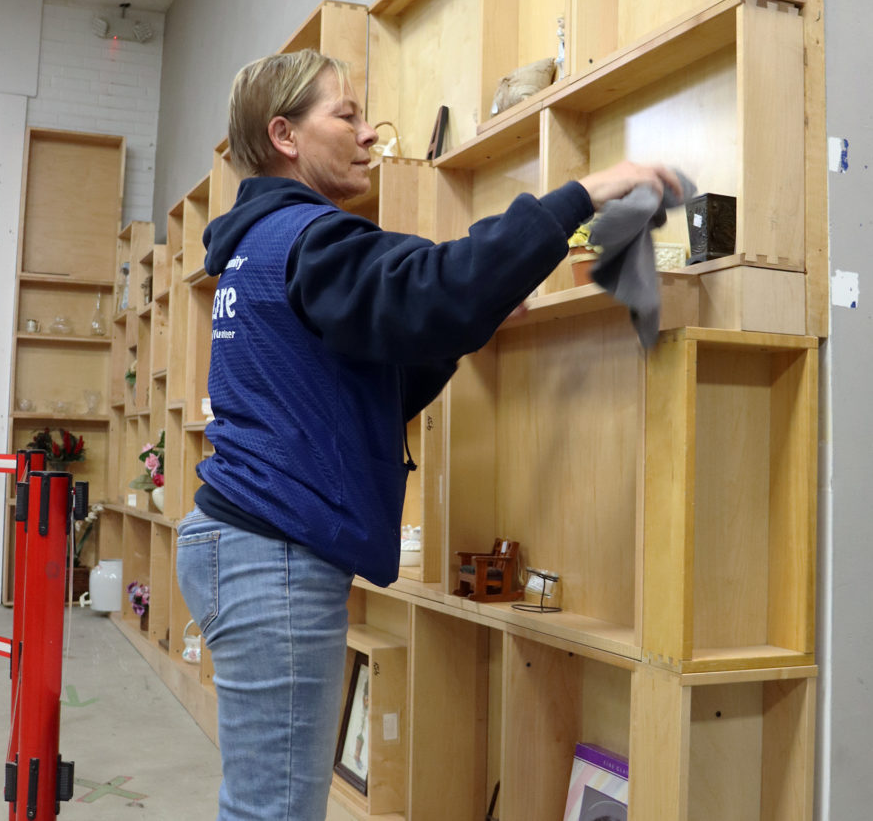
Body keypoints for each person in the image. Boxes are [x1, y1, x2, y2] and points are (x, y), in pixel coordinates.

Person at [176, 48, 681, 820]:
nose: (369, 135)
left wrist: (460, 326)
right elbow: (432, 286)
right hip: (267, 556)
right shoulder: (308, 238)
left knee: (264, 805)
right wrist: (591, 190)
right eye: (346, 116)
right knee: (272, 812)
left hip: (241, 546)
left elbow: (364, 382)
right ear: (285, 135)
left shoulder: (254, 247)